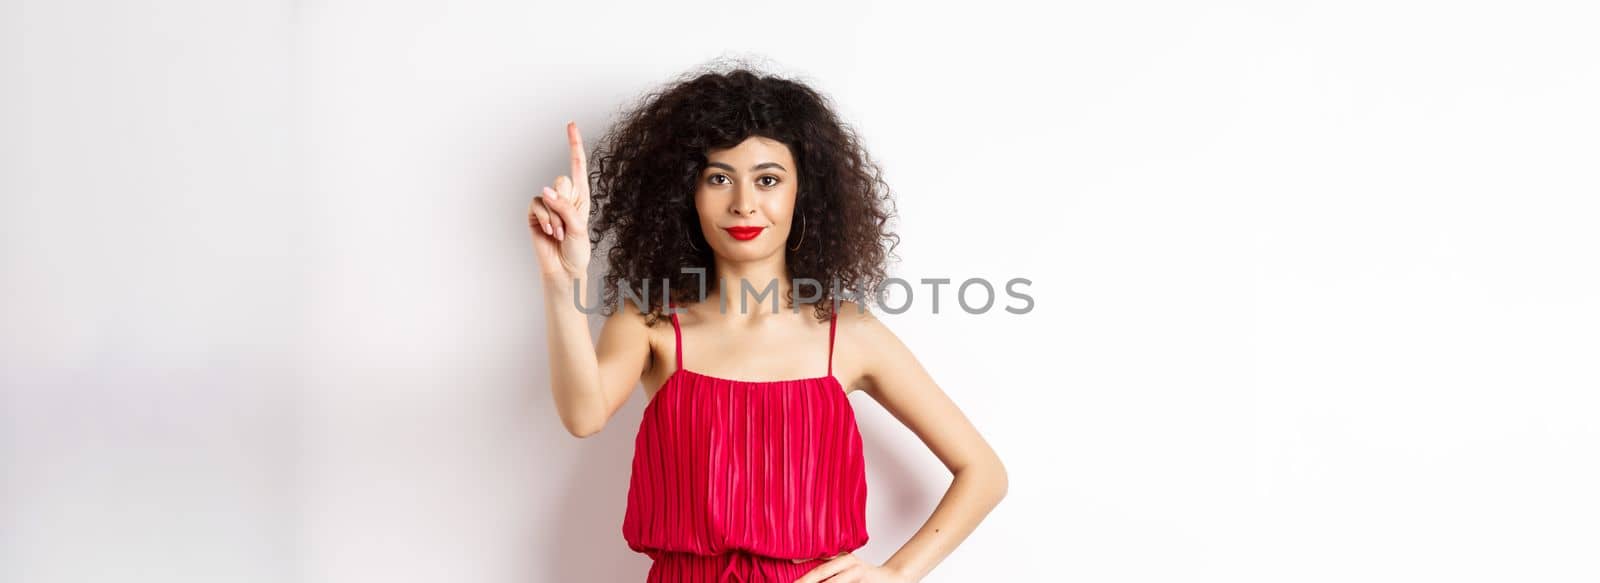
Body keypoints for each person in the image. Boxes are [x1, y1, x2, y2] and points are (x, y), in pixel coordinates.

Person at [529, 63, 1007, 583]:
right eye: (718, 178)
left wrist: (896, 574)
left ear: (805, 192)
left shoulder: (850, 335)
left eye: (768, 180)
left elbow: (984, 473)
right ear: (685, 193)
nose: (743, 204)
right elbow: (583, 416)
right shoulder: (650, 320)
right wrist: (563, 280)